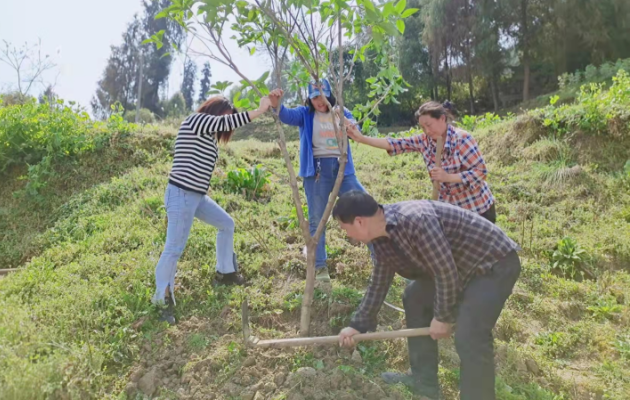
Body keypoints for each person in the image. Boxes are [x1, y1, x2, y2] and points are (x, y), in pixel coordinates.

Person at [335, 191, 520, 400]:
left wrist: (442, 317)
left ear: (359, 222)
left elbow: (445, 272)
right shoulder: (381, 240)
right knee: (414, 297)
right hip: (459, 269)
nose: (348, 237)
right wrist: (357, 325)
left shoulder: (416, 221)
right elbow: (379, 283)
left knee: (470, 334)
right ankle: (424, 383)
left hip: (492, 264)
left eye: (345, 229)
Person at [153, 94, 273, 325]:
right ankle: (161, 299)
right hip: (180, 193)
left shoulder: (209, 138)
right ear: (213, 111)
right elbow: (222, 124)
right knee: (174, 248)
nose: (226, 123)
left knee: (226, 224)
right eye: (224, 117)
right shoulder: (195, 121)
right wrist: (259, 111)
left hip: (196, 197)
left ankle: (225, 272)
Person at [268, 80, 371, 285]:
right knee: (317, 219)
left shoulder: (341, 111)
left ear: (329, 95)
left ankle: (380, 255)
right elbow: (285, 115)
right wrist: (276, 103)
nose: (319, 102)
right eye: (315, 98)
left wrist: (345, 122)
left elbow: (353, 129)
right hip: (316, 172)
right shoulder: (305, 114)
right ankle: (320, 267)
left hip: (342, 169)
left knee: (367, 207)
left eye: (322, 97)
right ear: (310, 98)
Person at [346, 100, 497, 223]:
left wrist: (448, 177)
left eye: (429, 125)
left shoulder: (462, 139)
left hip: (477, 210)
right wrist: (361, 138)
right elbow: (395, 143)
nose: (426, 131)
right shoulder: (424, 141)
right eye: (422, 127)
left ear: (442, 119)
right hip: (452, 213)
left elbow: (480, 172)